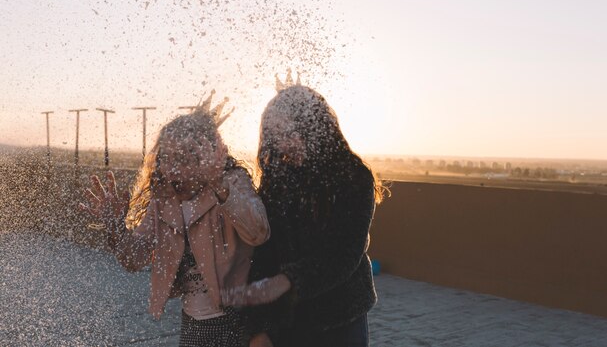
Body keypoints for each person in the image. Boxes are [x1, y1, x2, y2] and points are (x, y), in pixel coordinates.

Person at [80, 100, 270, 347]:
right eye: (166, 159)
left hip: (238, 320)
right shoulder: (165, 199)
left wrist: (220, 186)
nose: (172, 170)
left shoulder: (231, 181)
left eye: (182, 159)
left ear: (204, 157)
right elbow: (135, 258)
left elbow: (259, 232)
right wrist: (115, 226)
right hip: (193, 321)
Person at [224, 83, 386, 347]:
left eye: (293, 133)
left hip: (341, 316)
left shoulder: (352, 177)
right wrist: (258, 327)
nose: (287, 145)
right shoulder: (278, 180)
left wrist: (287, 280)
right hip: (289, 320)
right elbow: (264, 253)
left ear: (317, 128)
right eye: (278, 137)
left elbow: (344, 253)